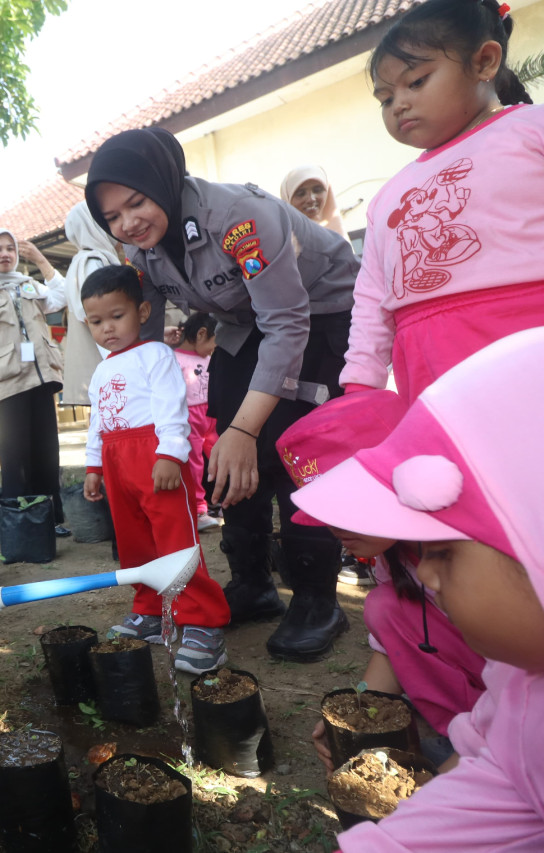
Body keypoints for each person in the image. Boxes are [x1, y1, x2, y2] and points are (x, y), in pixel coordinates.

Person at [292, 324, 544, 850]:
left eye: (446, 551)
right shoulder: (520, 680)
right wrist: (357, 709)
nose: (429, 571)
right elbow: (494, 760)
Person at [85, 127, 359, 662]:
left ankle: (315, 599)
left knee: (292, 447)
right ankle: (253, 583)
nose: (128, 222)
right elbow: (143, 350)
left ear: (162, 183)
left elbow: (287, 323)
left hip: (323, 317)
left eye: (136, 202)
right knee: (224, 452)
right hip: (247, 323)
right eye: (112, 216)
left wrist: (245, 428)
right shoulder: (144, 250)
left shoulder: (239, 220)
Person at [342, 0, 544, 402]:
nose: (399, 104)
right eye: (386, 99)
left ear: (485, 62)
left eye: (416, 81)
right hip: (432, 377)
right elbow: (372, 300)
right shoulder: (386, 198)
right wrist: (359, 384)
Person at [276, 390, 485, 772]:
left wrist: (450, 779)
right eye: (326, 509)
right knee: (386, 606)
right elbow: (391, 645)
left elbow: (534, 681)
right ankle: (466, 729)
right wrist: (357, 718)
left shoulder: (479, 552)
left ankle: (484, 748)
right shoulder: (393, 551)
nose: (334, 527)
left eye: (347, 503)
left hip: (536, 693)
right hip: (492, 680)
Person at [80, 266, 231, 672]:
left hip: (154, 456)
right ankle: (149, 609)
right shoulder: (101, 370)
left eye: (117, 316)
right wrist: (94, 465)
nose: (108, 328)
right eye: (96, 321)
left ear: (142, 311)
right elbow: (99, 419)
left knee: (175, 539)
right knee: (134, 542)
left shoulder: (156, 354)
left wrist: (170, 454)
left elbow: (171, 407)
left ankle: (202, 620)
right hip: (115, 461)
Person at [0, 228, 70, 537]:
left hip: (40, 377)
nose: (5, 253)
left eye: (10, 248)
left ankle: (50, 519)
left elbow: (61, 296)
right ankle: (19, 525)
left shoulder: (28, 284)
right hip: (7, 381)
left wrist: (40, 259)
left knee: (47, 451)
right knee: (15, 454)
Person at [60, 199, 121, 406]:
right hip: (108, 362)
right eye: (105, 221)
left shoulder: (80, 261)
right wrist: (119, 362)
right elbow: (102, 317)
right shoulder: (93, 262)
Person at [175, 312, 221, 532]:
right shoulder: (174, 359)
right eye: (214, 342)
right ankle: (198, 509)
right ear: (202, 334)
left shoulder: (209, 357)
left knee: (220, 457)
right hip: (190, 416)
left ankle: (221, 500)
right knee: (195, 463)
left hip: (211, 412)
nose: (214, 348)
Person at [279, 165, 348, 239]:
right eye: (301, 194)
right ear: (287, 198)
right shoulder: (279, 242)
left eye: (317, 190)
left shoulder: (339, 240)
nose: (311, 199)